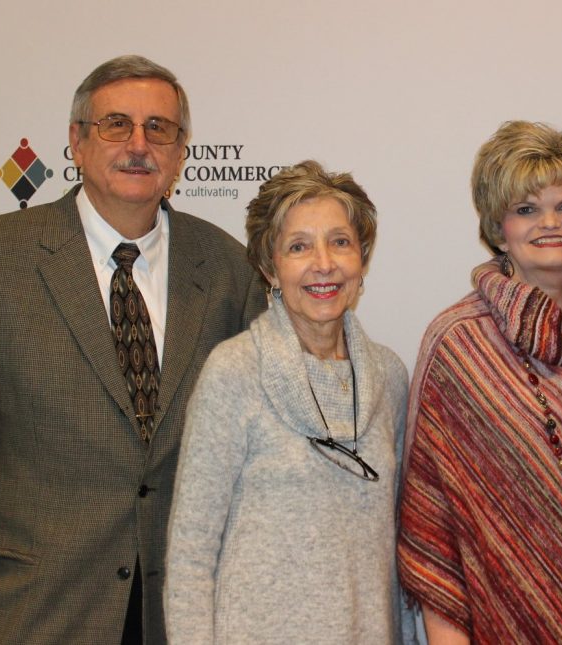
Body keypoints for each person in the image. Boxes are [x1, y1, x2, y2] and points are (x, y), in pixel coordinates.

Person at [0, 55, 267, 643]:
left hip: (180, 617)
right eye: (116, 124)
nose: (138, 144)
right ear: (76, 141)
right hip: (34, 614)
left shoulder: (230, 268)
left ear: (181, 152)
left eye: (160, 128)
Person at [397, 121, 562, 644]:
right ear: (497, 225)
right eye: (526, 209)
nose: (549, 222)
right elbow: (433, 522)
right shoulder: (459, 343)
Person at [164, 160, 413, 644]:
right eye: (298, 246)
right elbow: (191, 554)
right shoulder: (234, 371)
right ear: (268, 267)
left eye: (340, 241)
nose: (324, 263)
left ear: (362, 258)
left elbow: (394, 553)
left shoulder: (389, 377)